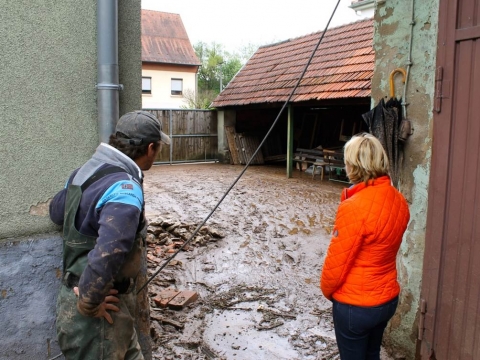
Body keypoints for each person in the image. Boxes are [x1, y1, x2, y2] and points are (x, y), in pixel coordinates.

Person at [49, 110, 170, 360]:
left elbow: (57, 213)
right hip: (99, 317)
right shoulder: (125, 188)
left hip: (79, 301)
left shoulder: (82, 173)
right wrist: (89, 302)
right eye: (158, 149)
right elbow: (110, 252)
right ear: (150, 148)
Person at [320, 133, 410, 360]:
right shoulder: (399, 200)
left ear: (354, 165)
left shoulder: (354, 207)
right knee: (372, 355)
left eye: (347, 160)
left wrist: (329, 293)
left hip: (356, 306)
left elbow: (336, 264)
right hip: (387, 300)